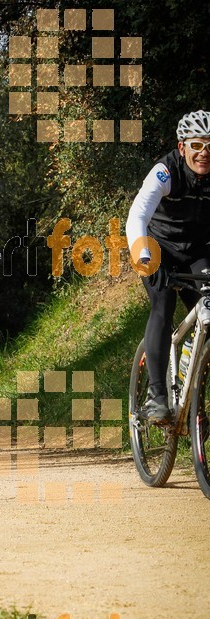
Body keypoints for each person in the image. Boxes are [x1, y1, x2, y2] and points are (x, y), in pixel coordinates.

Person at [126, 110, 210, 424]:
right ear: (182, 147)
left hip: (197, 251)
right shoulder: (166, 171)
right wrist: (144, 258)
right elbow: (137, 215)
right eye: (197, 145)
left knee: (209, 307)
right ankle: (157, 396)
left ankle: (191, 365)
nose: (204, 153)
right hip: (157, 246)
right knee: (163, 304)